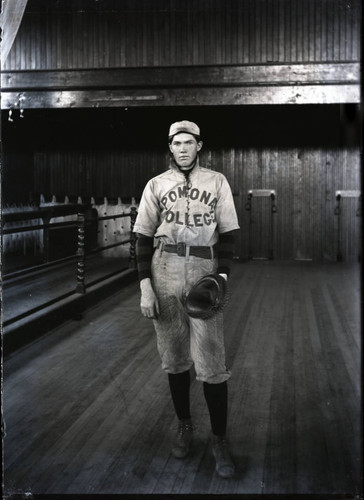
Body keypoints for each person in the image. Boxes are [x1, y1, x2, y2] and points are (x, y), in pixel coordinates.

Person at [133, 120, 240, 479]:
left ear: (199, 146)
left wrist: (221, 276)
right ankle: (184, 426)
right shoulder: (156, 185)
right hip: (163, 268)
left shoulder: (217, 181)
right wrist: (146, 286)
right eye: (176, 143)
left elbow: (229, 234)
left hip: (202, 268)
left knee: (212, 360)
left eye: (188, 142)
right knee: (174, 358)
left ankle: (220, 440)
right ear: (170, 147)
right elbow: (143, 239)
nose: (182, 148)